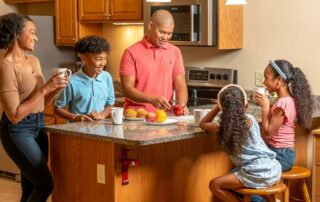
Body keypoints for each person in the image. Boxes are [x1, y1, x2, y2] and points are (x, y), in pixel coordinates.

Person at [0, 13, 69, 201]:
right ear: (15, 33)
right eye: (32, 32)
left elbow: (40, 103)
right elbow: (15, 115)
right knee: (45, 184)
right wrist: (45, 88)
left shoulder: (34, 60)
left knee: (30, 187)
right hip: (17, 131)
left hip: (39, 125)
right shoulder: (5, 66)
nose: (36, 37)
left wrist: (55, 89)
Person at [199, 84, 281, 202]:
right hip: (273, 168)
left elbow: (203, 124)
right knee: (233, 175)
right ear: (245, 104)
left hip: (255, 171)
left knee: (214, 184)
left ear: (222, 107)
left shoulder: (223, 128)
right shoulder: (251, 120)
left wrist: (217, 107)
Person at [119, 9, 188, 113]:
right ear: (150, 26)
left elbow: (180, 85)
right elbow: (127, 89)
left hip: (163, 117)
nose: (165, 37)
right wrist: (151, 100)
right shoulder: (131, 52)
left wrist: (181, 106)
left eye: (169, 33)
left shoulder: (175, 52)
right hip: (136, 116)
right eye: (162, 32)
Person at [254, 59, 313, 171]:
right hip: (283, 153)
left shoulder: (283, 103)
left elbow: (267, 134)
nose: (264, 82)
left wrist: (265, 107)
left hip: (280, 156)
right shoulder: (288, 100)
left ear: (279, 80)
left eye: (266, 78)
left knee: (248, 168)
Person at [54, 35, 115, 122]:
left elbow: (110, 104)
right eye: (98, 59)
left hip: (101, 131)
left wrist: (101, 115)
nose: (103, 63)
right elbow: (57, 109)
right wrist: (75, 117)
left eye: (105, 59)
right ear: (83, 59)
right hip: (78, 132)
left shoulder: (106, 77)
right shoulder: (71, 82)